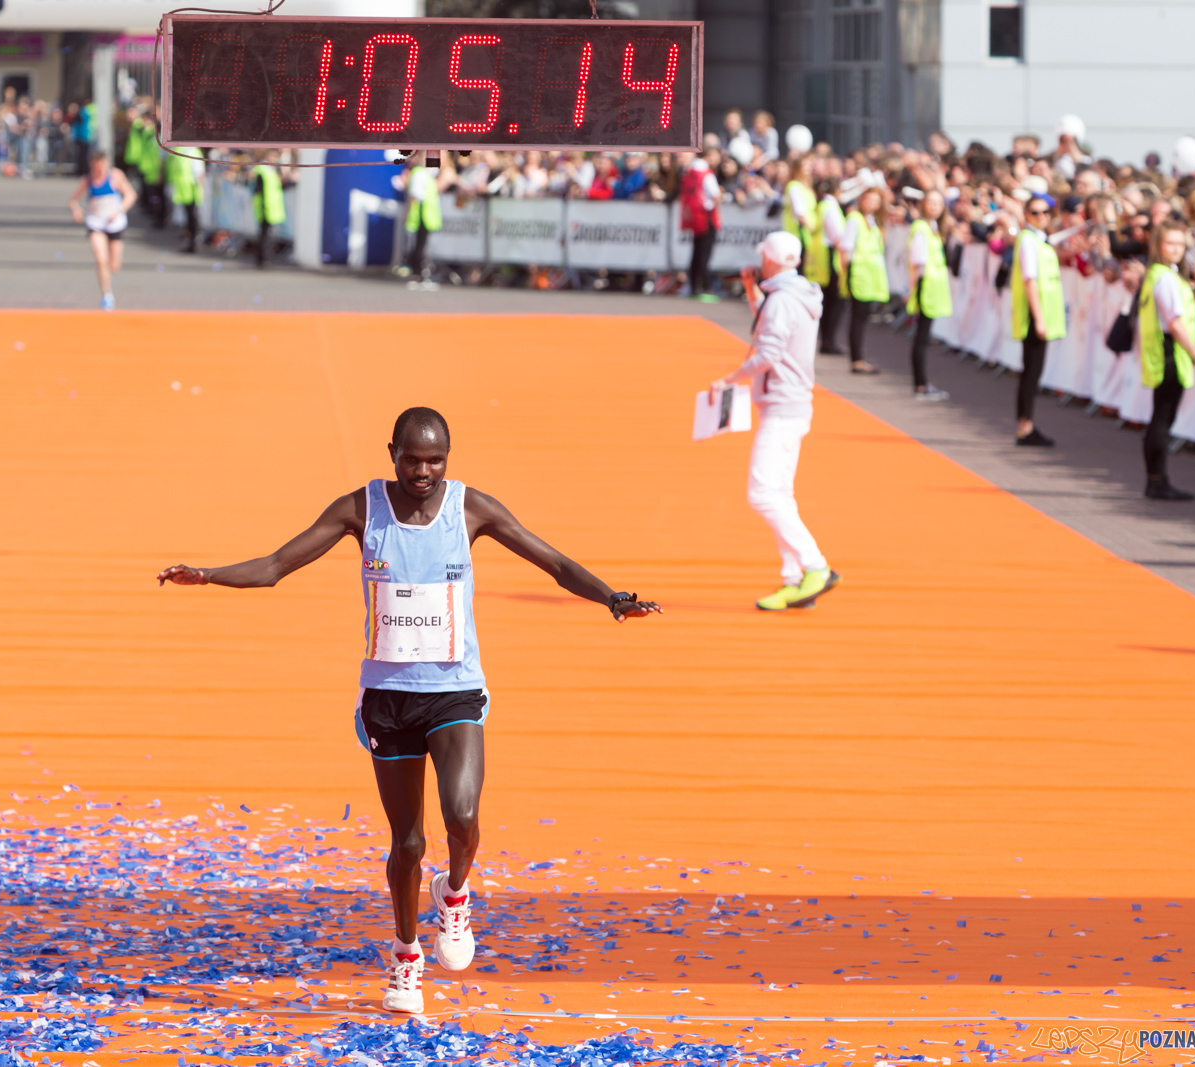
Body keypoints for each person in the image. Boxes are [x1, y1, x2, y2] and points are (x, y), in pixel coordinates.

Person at [157, 407, 662, 1014]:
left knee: (464, 815)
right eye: (411, 458)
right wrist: (208, 575)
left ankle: (454, 895)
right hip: (388, 702)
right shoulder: (360, 509)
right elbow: (274, 567)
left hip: (453, 693)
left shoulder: (471, 509)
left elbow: (551, 562)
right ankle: (405, 957)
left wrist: (611, 597)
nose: (423, 471)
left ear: (449, 457)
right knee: (408, 842)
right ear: (391, 452)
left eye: (436, 459)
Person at [711, 233, 839, 611]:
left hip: (783, 405)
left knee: (763, 494)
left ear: (769, 260)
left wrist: (730, 379)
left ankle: (815, 566)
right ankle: (795, 579)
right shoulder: (795, 295)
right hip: (790, 404)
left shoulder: (783, 299)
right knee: (779, 495)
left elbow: (768, 349)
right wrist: (754, 291)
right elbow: (768, 324)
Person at [1138, 218, 1195, 500]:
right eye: (1170, 243)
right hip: (1170, 351)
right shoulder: (1165, 278)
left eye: (1180, 244)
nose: (1176, 249)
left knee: (1160, 417)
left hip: (1164, 351)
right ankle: (1157, 479)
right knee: (1162, 418)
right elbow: (1175, 322)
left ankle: (1157, 479)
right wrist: (1194, 352)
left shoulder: (1159, 274)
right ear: (1158, 245)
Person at [1010, 193, 1064, 446]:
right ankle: (1025, 426)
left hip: (1043, 313)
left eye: (1045, 212)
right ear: (1027, 215)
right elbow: (1029, 280)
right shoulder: (1030, 240)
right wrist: (1039, 319)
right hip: (1036, 315)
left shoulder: (1041, 240)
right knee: (1031, 372)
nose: (1041, 217)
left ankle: (1026, 424)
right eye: (1035, 213)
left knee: (1033, 372)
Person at [68, 151, 136, 310]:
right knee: (100, 259)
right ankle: (107, 295)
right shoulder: (88, 180)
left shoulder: (115, 176)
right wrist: (76, 211)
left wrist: (119, 210)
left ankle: (108, 281)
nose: (99, 170)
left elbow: (131, 195)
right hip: (96, 224)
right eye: (96, 167)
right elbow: (73, 200)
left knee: (114, 266)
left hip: (115, 224)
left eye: (102, 166)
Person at [906, 188, 952, 400]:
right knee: (921, 338)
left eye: (939, 203)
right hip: (926, 288)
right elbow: (918, 263)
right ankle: (920, 385)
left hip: (932, 289)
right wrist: (914, 290)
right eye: (931, 202)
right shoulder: (922, 228)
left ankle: (922, 384)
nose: (934, 207)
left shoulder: (933, 228)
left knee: (923, 338)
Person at [838, 185, 886, 374]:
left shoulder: (873, 221)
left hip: (870, 276)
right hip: (858, 274)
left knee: (862, 317)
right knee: (857, 318)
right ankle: (856, 359)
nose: (872, 204)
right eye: (869, 199)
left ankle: (858, 358)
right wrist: (846, 275)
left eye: (876, 200)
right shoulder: (855, 219)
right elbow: (846, 248)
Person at [807, 177, 846, 354]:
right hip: (830, 257)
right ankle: (828, 341)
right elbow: (838, 235)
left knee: (827, 301)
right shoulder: (831, 207)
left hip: (820, 257)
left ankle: (825, 340)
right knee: (834, 301)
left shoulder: (822, 205)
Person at [679, 151, 721, 302]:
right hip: (706, 217)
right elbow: (715, 195)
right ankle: (706, 287)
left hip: (694, 217)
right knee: (705, 254)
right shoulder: (707, 174)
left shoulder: (690, 173)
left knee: (696, 252)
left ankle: (694, 286)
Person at [402, 151, 444, 281]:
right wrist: (408, 211)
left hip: (425, 214)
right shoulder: (420, 173)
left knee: (420, 244)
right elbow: (414, 196)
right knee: (419, 245)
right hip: (422, 214)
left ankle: (417, 271)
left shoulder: (422, 173)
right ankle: (416, 272)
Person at [250, 150, 288, 269]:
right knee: (264, 235)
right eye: (273, 156)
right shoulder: (262, 169)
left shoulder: (272, 170)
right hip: (265, 207)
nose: (275, 159)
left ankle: (263, 258)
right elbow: (257, 188)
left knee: (266, 235)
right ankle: (262, 259)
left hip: (271, 207)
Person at [166, 144, 205, 252]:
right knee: (188, 219)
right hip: (184, 191)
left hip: (191, 191)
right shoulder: (181, 150)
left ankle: (194, 244)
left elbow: (199, 173)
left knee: (193, 219)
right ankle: (190, 243)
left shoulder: (192, 151)